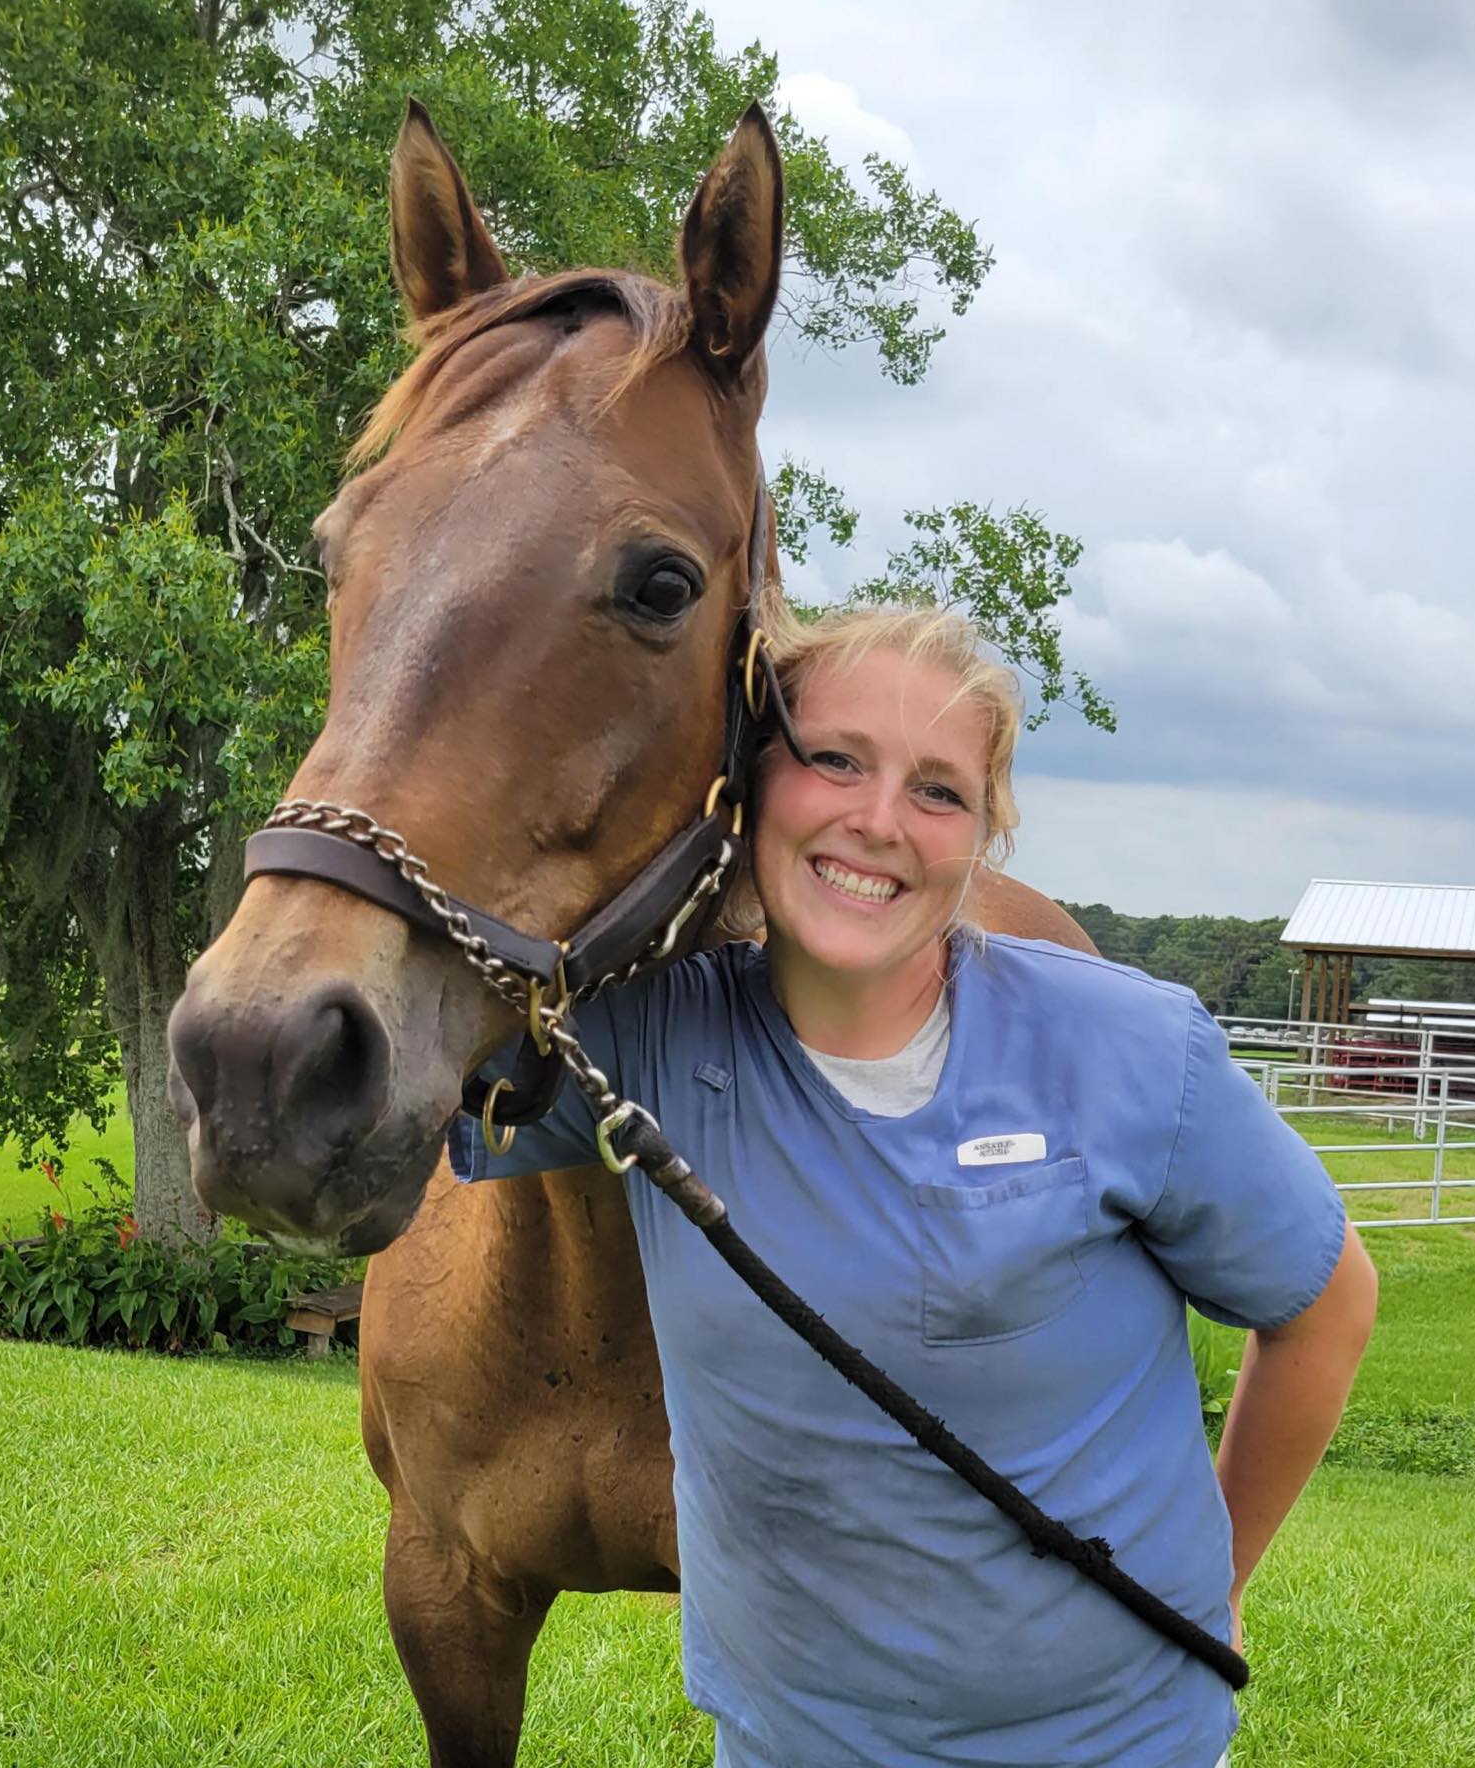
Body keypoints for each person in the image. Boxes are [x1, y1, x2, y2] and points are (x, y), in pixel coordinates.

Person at [450, 605, 1378, 1768]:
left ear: (985, 835)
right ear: (747, 785)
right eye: (834, 758)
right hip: (791, 1741)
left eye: (940, 790)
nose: (878, 820)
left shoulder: (1137, 1049)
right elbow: (404, 1057)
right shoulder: (646, 1040)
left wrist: (1219, 1574)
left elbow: (1325, 1300)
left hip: (1112, 1740)